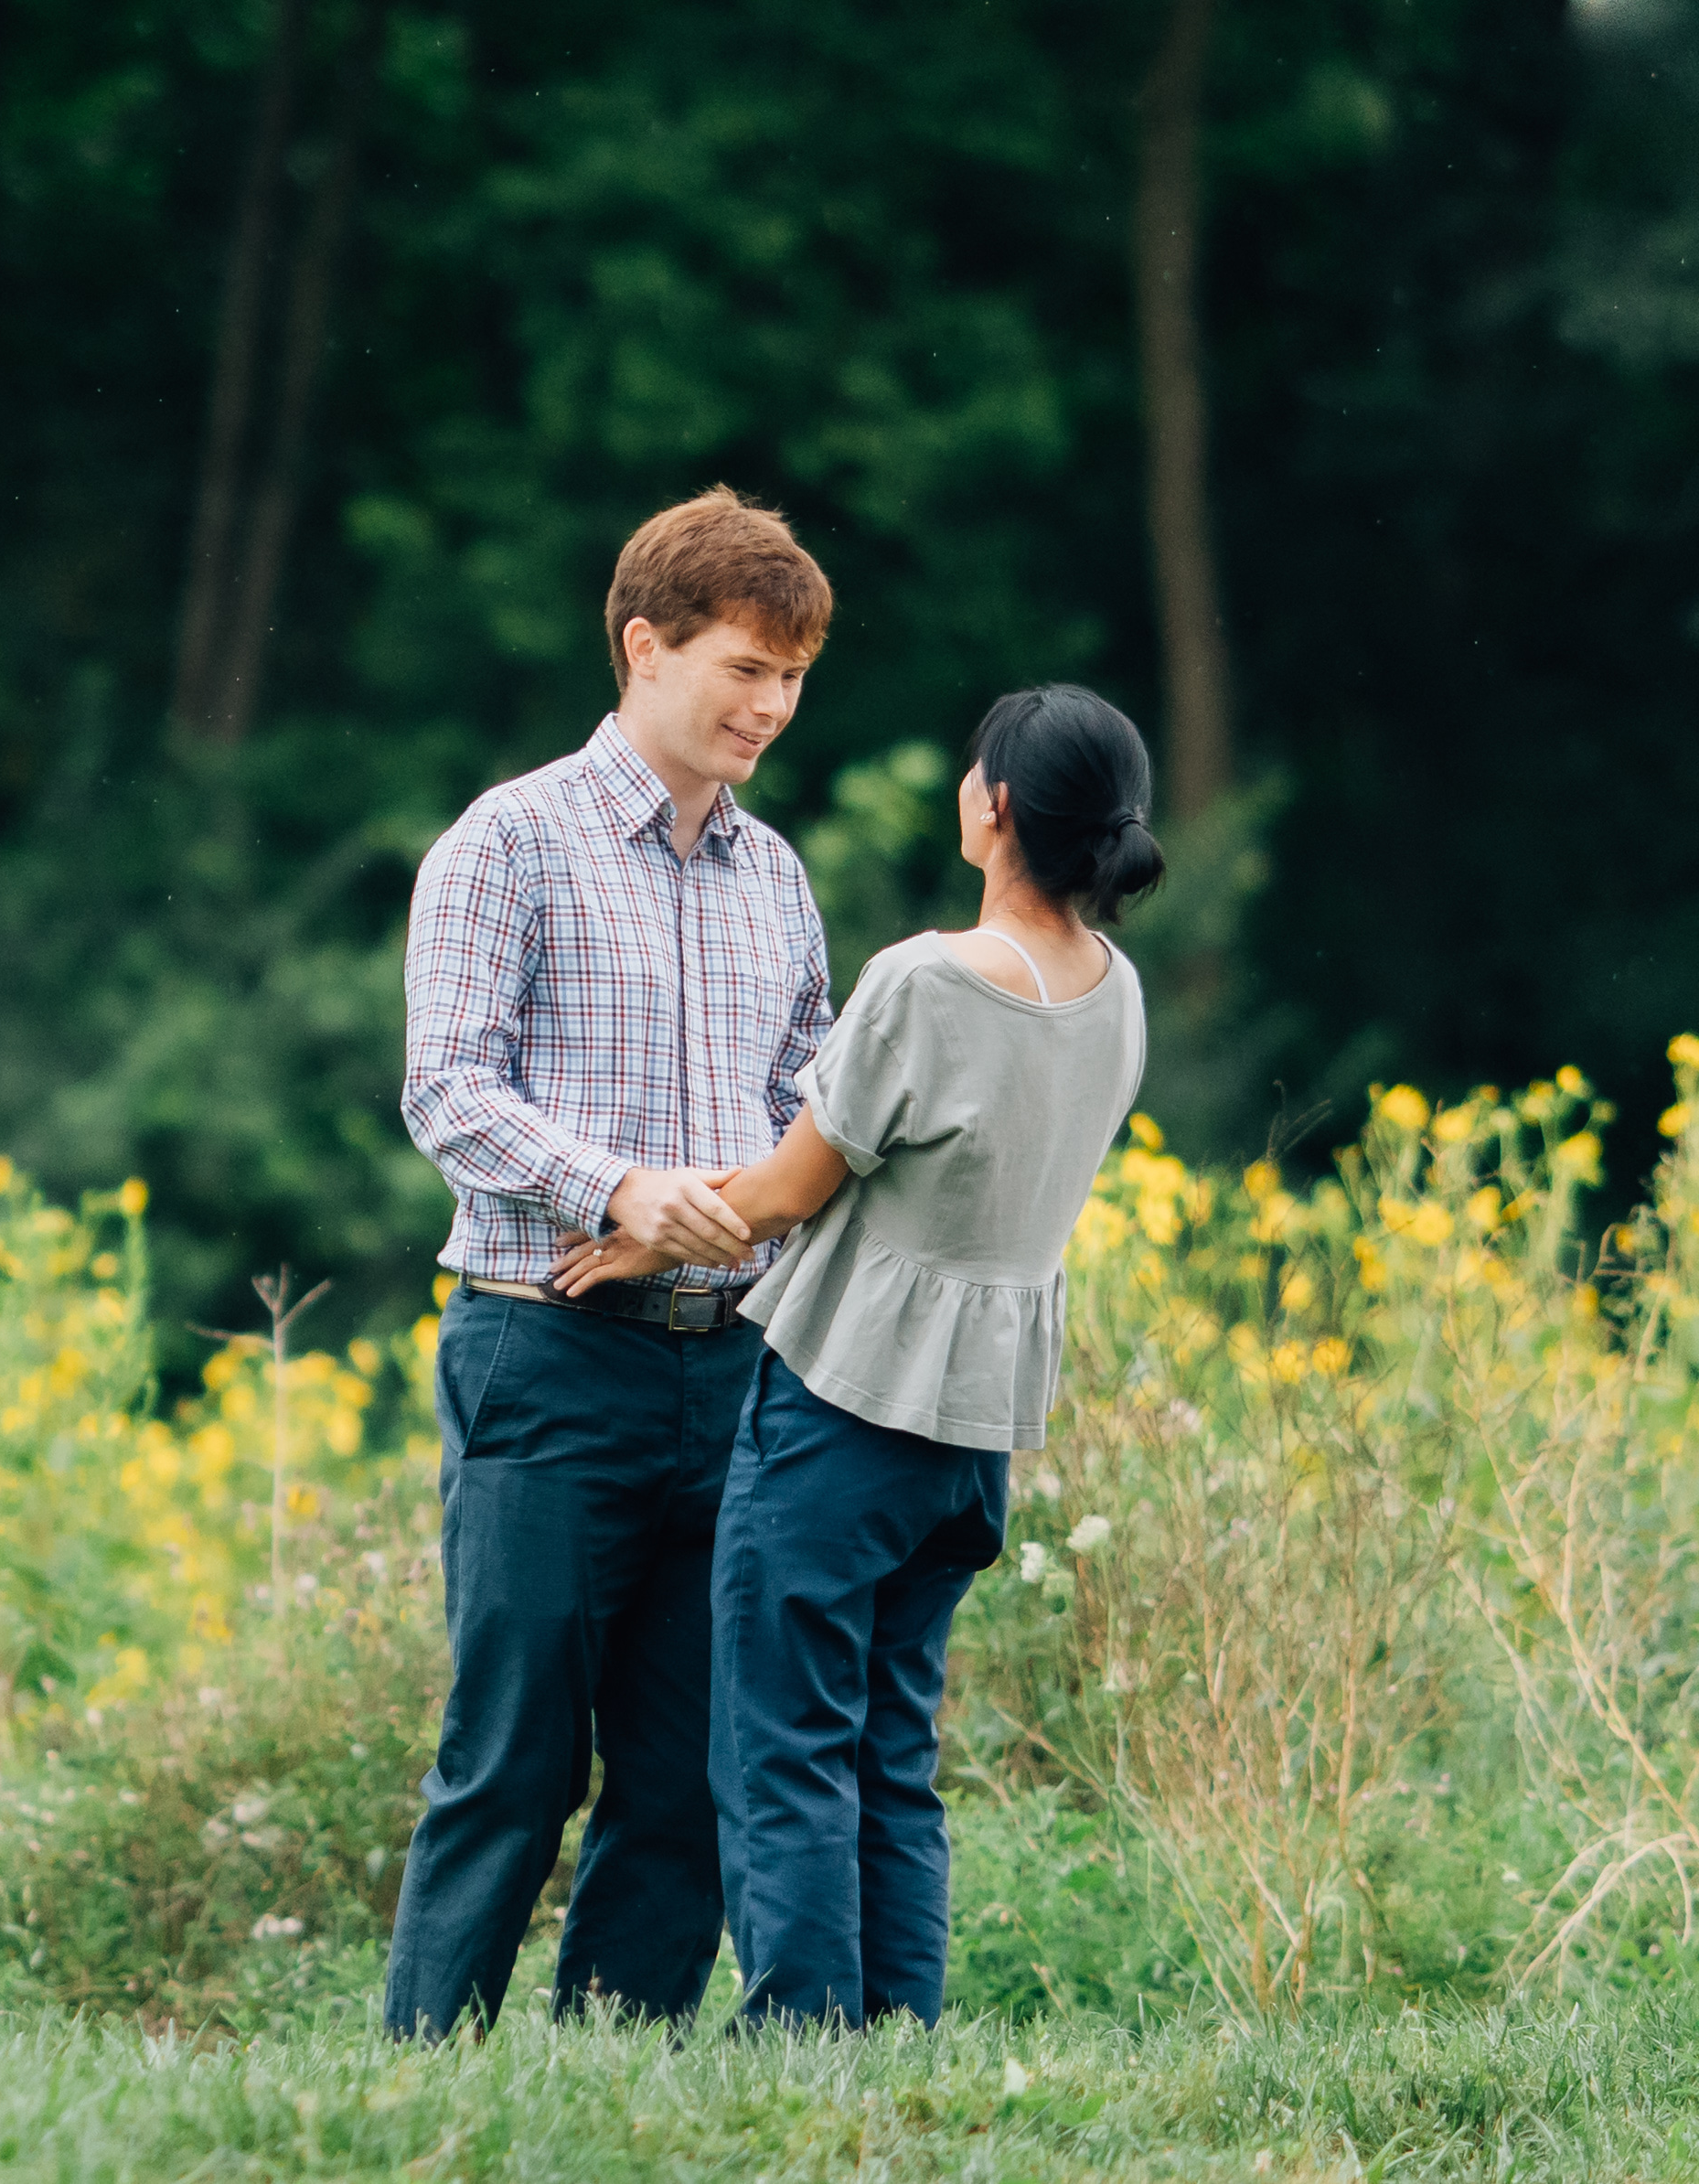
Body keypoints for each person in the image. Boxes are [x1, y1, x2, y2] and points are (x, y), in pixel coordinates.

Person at [553, 682, 1165, 2029]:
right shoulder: (1115, 997)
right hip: (976, 1430)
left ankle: (801, 2037)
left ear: (993, 807)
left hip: (844, 1412)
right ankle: (895, 2035)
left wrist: (643, 1229)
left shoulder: (926, 981)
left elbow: (783, 1191)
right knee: (893, 1750)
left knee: (783, 1743)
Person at [386, 487, 838, 2038]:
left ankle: (608, 2088)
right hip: (544, 1356)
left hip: (732, 1370)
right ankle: (417, 2084)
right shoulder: (506, 840)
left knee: (691, 1771)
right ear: (643, 647)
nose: (770, 707)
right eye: (742, 669)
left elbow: (811, 1108)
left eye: (790, 678)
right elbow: (443, 1086)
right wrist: (619, 1189)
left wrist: (735, 1211)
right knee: (509, 1755)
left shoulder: (775, 876)